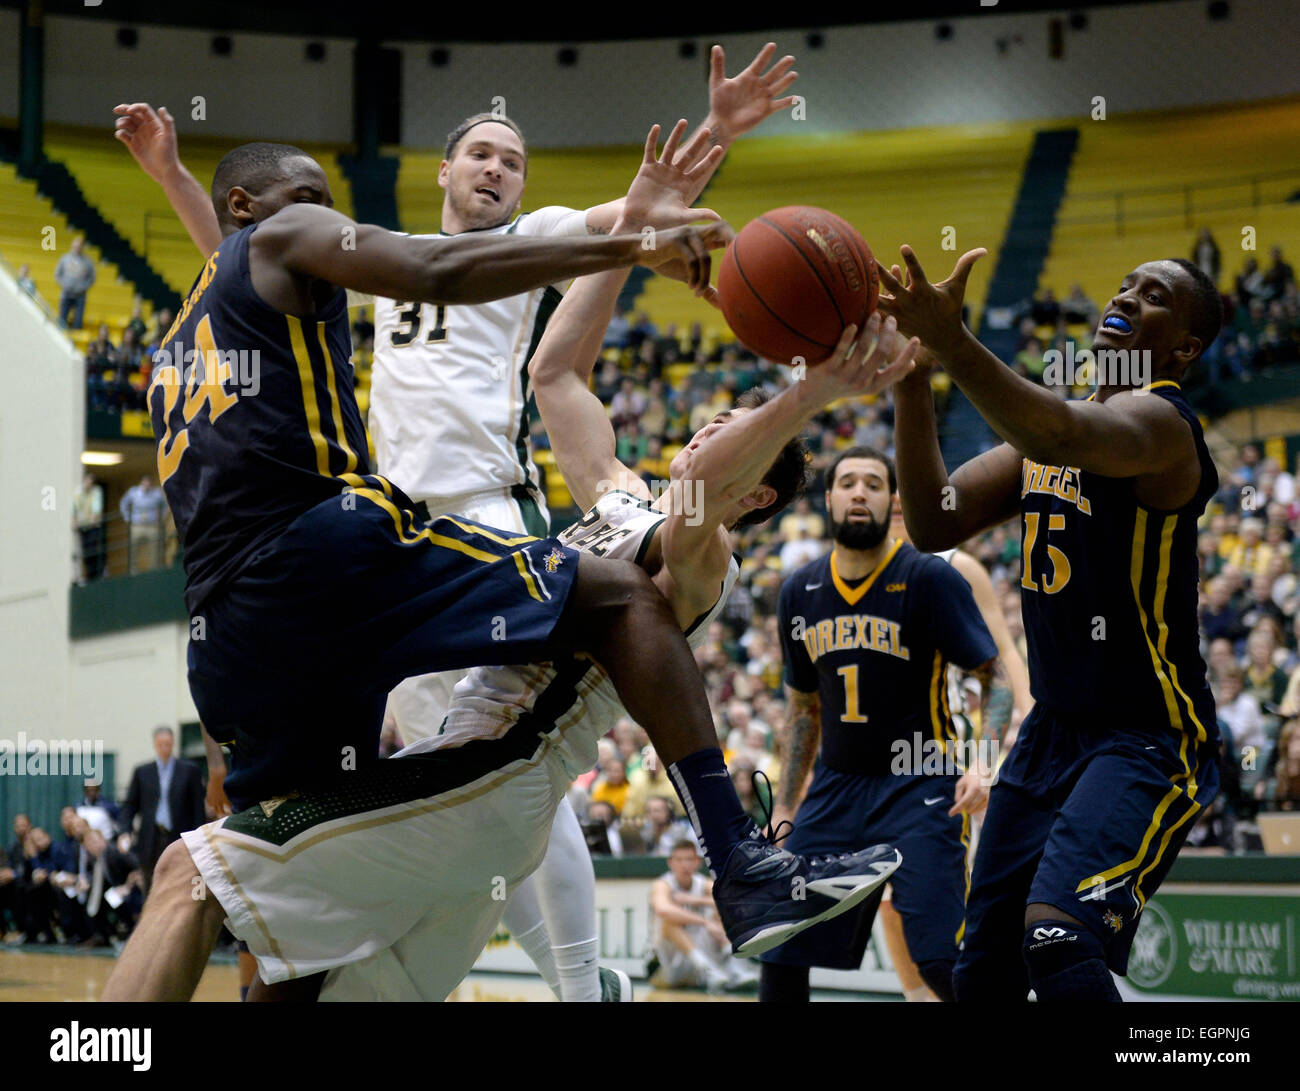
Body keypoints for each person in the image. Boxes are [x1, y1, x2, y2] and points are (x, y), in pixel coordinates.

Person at [100, 126, 899, 1003]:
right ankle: (711, 880)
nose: (330, 225)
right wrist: (634, 239)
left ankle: (640, 940)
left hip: (311, 668)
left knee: (220, 880)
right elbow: (557, 374)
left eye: (729, 439)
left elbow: (694, 477)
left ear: (755, 496)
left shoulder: (700, 540)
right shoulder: (611, 492)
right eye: (311, 203)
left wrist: (812, 390)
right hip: (350, 610)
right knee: (279, 936)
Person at [883, 244, 1223, 1001]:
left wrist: (952, 341)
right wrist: (912, 384)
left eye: (1156, 296)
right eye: (1127, 283)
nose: (1130, 296)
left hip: (1147, 733)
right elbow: (936, 521)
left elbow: (1062, 434)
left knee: (1059, 932)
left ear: (1184, 347)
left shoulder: (1164, 425)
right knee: (982, 973)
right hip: (1051, 735)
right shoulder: (1058, 431)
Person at [759, 446, 1009, 1004]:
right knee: (780, 943)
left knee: (942, 959)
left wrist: (983, 763)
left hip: (921, 781)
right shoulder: (799, 591)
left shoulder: (928, 578)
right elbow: (803, 712)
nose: (858, 493)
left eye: (873, 484)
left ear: (892, 501)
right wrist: (785, 804)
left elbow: (995, 677)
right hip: (836, 786)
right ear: (827, 500)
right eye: (847, 483)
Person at [650, 840, 759, 992]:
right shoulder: (662, 884)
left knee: (722, 915)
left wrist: (695, 900)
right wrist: (704, 922)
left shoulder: (703, 883)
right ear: (670, 863)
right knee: (668, 922)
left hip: (704, 957)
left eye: (689, 859)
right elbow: (663, 910)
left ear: (697, 862)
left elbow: (732, 901)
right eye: (679, 860)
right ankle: (708, 969)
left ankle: (736, 968)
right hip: (673, 962)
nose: (684, 864)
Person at [118, 726, 206, 892]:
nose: (165, 747)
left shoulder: (189, 771)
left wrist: (198, 838)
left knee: (179, 884)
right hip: (151, 837)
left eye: (168, 743)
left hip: (179, 836)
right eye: (161, 744)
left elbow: (198, 809)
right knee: (150, 886)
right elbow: (130, 805)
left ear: (173, 743)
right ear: (155, 744)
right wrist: (124, 831)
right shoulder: (142, 772)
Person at [118, 474, 167, 573]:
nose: (147, 484)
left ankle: (154, 571)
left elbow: (165, 505)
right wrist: (127, 517)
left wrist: (162, 518)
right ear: (141, 482)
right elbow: (123, 503)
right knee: (133, 550)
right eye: (145, 482)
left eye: (149, 482)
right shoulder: (133, 492)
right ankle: (133, 571)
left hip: (152, 526)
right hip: (137, 525)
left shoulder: (156, 493)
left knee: (154, 550)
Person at [54, 236, 95, 329]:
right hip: (66, 294)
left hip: (80, 296)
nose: (77, 248)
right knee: (62, 320)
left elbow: (92, 277)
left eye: (79, 246)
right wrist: (64, 284)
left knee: (78, 321)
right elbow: (57, 274)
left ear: (82, 247)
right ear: (72, 246)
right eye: (75, 246)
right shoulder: (64, 259)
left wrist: (83, 287)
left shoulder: (88, 262)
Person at [73, 473, 106, 582]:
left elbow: (97, 507)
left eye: (91, 482)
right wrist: (74, 521)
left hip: (93, 526)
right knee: (86, 551)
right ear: (84, 481)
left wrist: (94, 517)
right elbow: (74, 507)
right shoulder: (78, 492)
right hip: (83, 526)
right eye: (87, 481)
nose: (89, 484)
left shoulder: (96, 491)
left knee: (93, 548)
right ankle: (89, 575)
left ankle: (97, 574)